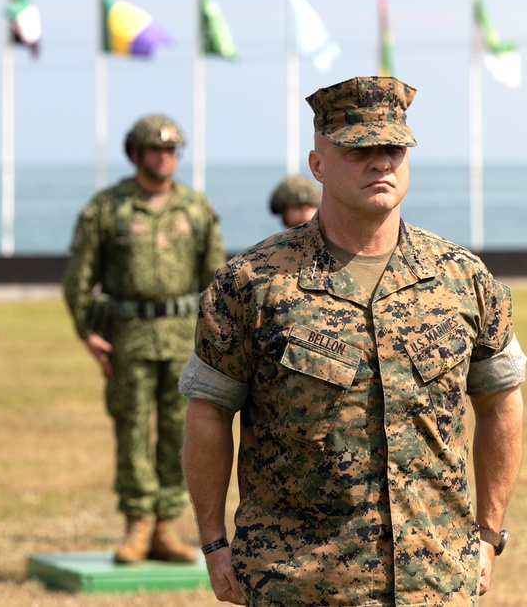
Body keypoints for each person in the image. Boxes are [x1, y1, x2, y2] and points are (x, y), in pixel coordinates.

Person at [179, 76, 525, 606]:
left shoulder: (461, 278)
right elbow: (208, 413)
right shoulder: (252, 283)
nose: (380, 162)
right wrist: (213, 542)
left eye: (393, 148)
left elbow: (502, 401)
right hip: (299, 583)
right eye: (359, 148)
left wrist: (488, 532)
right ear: (318, 165)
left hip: (435, 581)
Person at [62, 114, 226, 564]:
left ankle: (165, 525)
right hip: (127, 339)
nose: (165, 157)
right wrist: (87, 334)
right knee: (131, 427)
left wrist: (215, 337)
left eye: (172, 150)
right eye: (155, 149)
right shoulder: (108, 208)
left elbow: (216, 278)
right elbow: (79, 277)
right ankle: (136, 523)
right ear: (135, 155)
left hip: (182, 341)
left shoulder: (195, 208)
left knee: (181, 430)